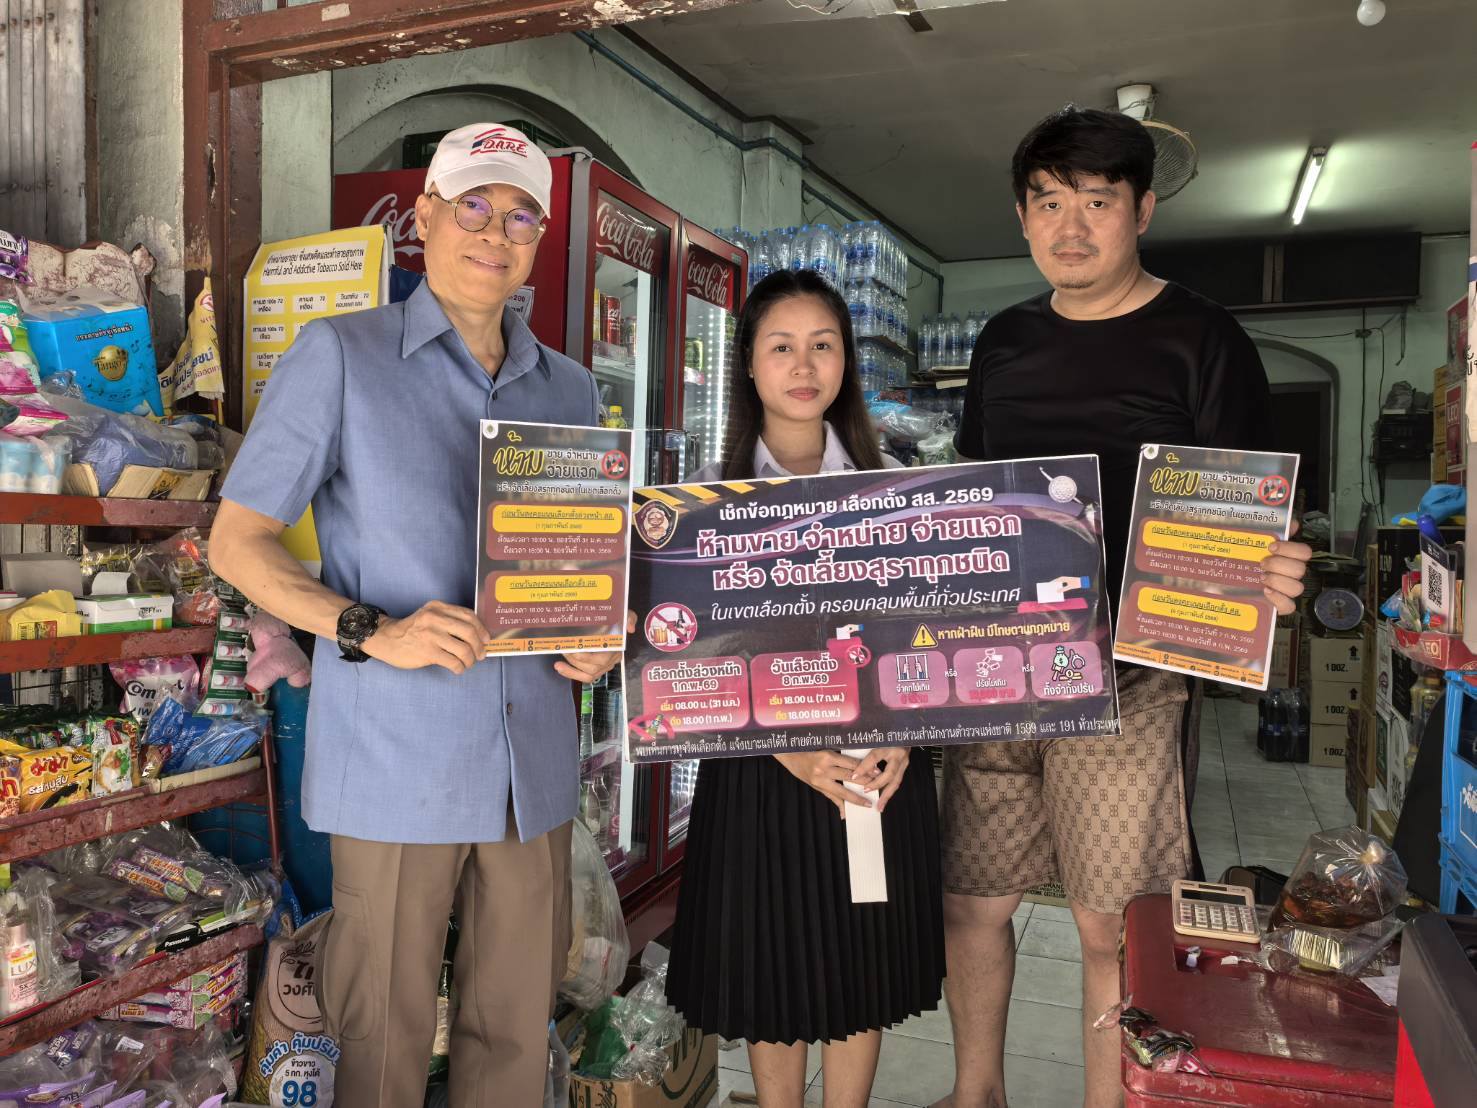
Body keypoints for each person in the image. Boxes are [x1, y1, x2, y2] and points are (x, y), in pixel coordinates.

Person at [209, 124, 619, 1108]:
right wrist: (370, 629)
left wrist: (597, 635)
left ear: (539, 238)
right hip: (396, 759)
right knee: (381, 1037)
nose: (494, 233)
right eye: (472, 206)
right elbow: (237, 543)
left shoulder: (569, 388)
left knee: (514, 1030)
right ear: (424, 218)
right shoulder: (341, 356)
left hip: (529, 763)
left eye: (519, 216)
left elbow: (580, 561)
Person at [935, 107, 1313, 1108]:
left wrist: (1271, 572)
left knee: (1110, 924)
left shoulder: (1202, 338)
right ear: (1022, 215)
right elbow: (971, 495)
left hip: (1129, 680)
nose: (1069, 227)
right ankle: (976, 1094)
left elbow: (1249, 508)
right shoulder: (1004, 340)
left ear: (1141, 210)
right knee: (971, 901)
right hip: (997, 667)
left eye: (1095, 202)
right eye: (1046, 203)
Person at [665, 269, 946, 1107]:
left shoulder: (895, 488)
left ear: (845, 362)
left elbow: (928, 631)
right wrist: (783, 747)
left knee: (863, 959)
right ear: (748, 365)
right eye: (781, 346)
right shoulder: (700, 503)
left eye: (822, 345)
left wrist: (904, 735)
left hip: (874, 765)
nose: (802, 365)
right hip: (759, 770)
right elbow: (687, 661)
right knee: (771, 961)